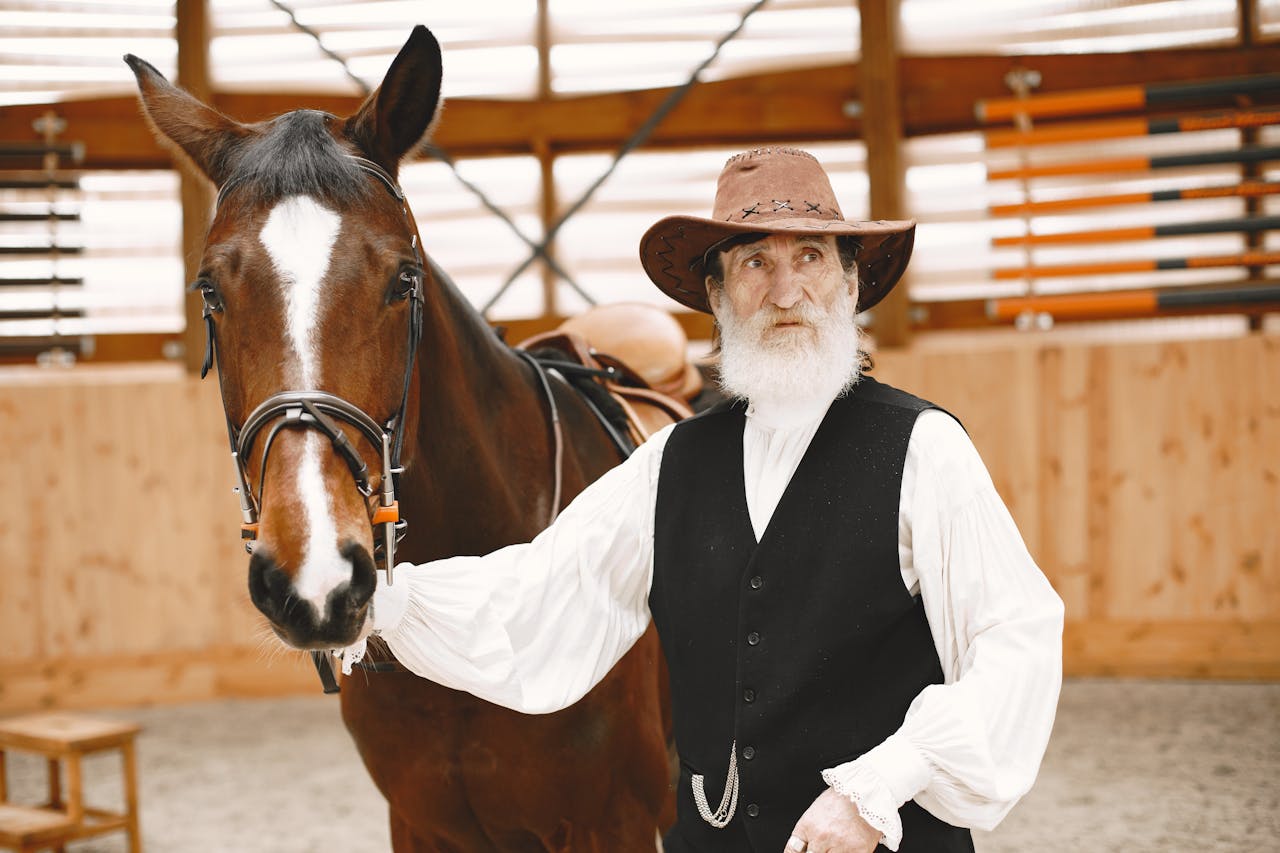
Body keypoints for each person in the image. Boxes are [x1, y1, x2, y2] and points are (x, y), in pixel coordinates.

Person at [351, 147, 1064, 853]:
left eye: (810, 257)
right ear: (718, 298)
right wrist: (379, 600)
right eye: (755, 263)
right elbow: (540, 594)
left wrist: (878, 787)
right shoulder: (671, 461)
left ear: (851, 285)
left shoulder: (924, 448)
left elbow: (1014, 639)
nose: (786, 293)